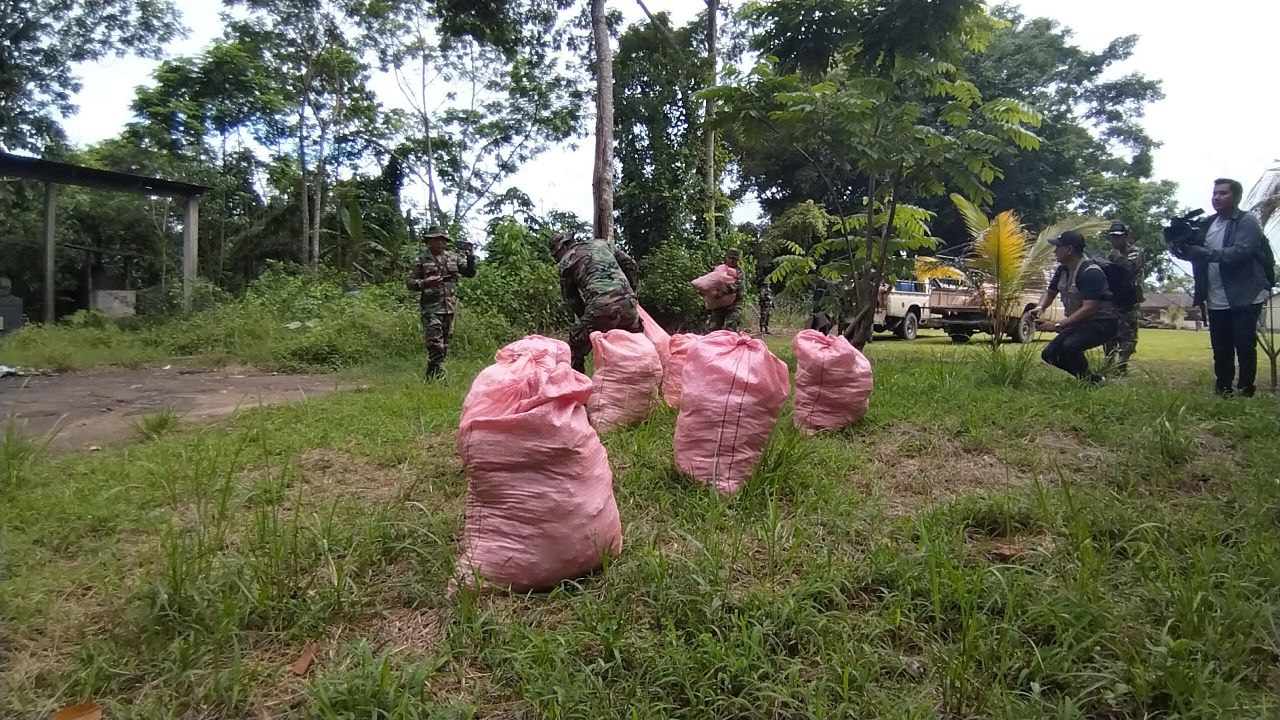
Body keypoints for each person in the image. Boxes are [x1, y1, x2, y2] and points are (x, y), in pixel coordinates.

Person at [1174, 178, 1272, 397]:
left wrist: (1205, 254)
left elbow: (1241, 251)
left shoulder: (1247, 222)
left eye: (1223, 193)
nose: (1217, 197)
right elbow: (1193, 253)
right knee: (1221, 347)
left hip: (1245, 293)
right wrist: (1179, 245)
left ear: (1236, 197)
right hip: (1215, 294)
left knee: (1244, 344)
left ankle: (1246, 389)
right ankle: (1223, 389)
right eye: (1215, 193)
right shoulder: (1208, 223)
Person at [1033, 230, 1119, 384]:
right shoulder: (1062, 270)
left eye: (1058, 247)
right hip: (1081, 323)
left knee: (1070, 347)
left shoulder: (1090, 273)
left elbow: (1089, 308)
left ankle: (1089, 382)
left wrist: (1057, 325)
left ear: (1069, 250)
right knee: (1049, 354)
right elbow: (1050, 293)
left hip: (1103, 323)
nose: (1055, 251)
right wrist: (1040, 308)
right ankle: (1091, 380)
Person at [551, 233, 642, 373]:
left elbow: (571, 299)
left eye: (556, 255)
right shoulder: (601, 244)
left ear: (563, 247)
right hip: (629, 305)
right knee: (636, 345)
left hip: (600, 308)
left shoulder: (566, 261)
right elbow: (630, 263)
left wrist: (588, 320)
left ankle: (575, 389)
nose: (557, 260)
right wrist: (630, 291)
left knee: (574, 349)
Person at [406, 225, 476, 380]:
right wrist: (425, 282)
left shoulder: (452, 258)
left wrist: (470, 257)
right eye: (436, 239)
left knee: (444, 345)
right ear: (429, 242)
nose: (440, 243)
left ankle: (432, 376)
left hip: (449, 307)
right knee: (435, 344)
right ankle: (440, 377)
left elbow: (470, 273)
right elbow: (410, 283)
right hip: (431, 309)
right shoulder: (421, 260)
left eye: (442, 240)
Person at [1102, 222, 1144, 373]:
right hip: (1114, 299)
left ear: (1126, 237)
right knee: (1109, 334)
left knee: (1128, 334)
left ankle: (1122, 365)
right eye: (1112, 237)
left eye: (1118, 237)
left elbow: (1130, 267)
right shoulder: (1110, 254)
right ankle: (1108, 363)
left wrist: (1116, 257)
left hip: (1130, 300)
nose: (1115, 240)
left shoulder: (1135, 252)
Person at [707, 249, 743, 331]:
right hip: (719, 303)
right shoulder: (719, 269)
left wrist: (723, 292)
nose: (731, 261)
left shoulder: (739, 271)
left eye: (734, 259)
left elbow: (737, 285)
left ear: (737, 260)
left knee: (731, 326)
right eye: (730, 258)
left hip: (735, 303)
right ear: (726, 257)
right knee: (713, 328)